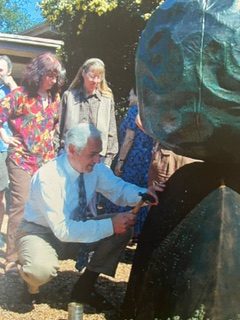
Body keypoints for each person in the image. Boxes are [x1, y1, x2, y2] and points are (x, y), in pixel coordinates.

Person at [16, 123, 162, 310]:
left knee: (123, 228)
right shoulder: (48, 177)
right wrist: (110, 225)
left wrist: (144, 194)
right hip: (40, 231)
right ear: (71, 150)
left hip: (74, 225)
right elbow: (63, 230)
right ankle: (30, 285)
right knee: (40, 270)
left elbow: (119, 190)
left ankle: (84, 289)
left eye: (99, 154)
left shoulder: (96, 169)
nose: (97, 160)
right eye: (92, 154)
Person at [0, 52, 65, 274]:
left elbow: (54, 126)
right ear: (38, 74)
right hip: (20, 159)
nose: (53, 80)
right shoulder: (19, 95)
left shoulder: (55, 98)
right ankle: (11, 258)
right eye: (50, 75)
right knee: (20, 204)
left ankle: (34, 253)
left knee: (40, 206)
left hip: (45, 162)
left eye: (56, 77)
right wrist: (5, 135)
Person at [105, 89, 154, 243]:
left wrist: (120, 161)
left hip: (133, 160)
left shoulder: (134, 111)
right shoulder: (153, 112)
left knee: (126, 194)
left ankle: (125, 232)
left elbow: (129, 139)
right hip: (148, 161)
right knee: (142, 196)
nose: (128, 97)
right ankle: (139, 232)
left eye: (130, 94)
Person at [59, 57, 118, 167]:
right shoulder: (69, 96)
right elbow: (58, 128)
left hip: (98, 160)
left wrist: (108, 160)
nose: (95, 81)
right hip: (70, 157)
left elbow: (112, 132)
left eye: (99, 77)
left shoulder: (106, 99)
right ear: (83, 73)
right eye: (92, 76)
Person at [0, 55, 18, 247]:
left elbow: (23, 101)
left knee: (0, 195)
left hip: (1, 150)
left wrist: (10, 82)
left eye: (1, 70)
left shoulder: (10, 90)